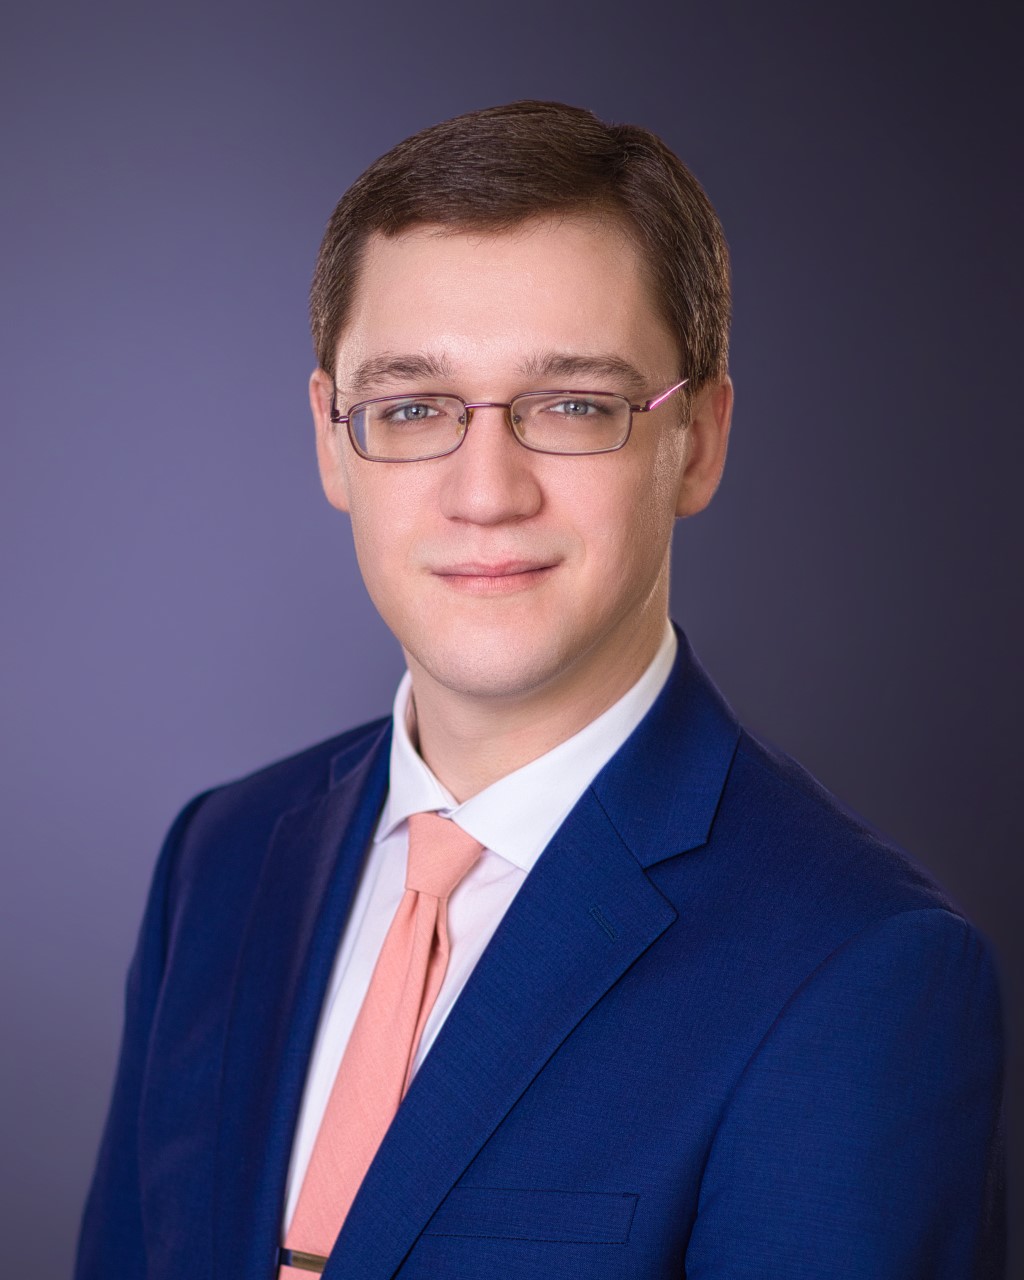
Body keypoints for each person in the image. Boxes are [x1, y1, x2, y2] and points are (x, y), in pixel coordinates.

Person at [74, 100, 1005, 1280]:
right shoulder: (218, 859)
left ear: (699, 439)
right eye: (411, 407)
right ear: (330, 439)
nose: (485, 492)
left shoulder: (862, 972)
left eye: (572, 405)